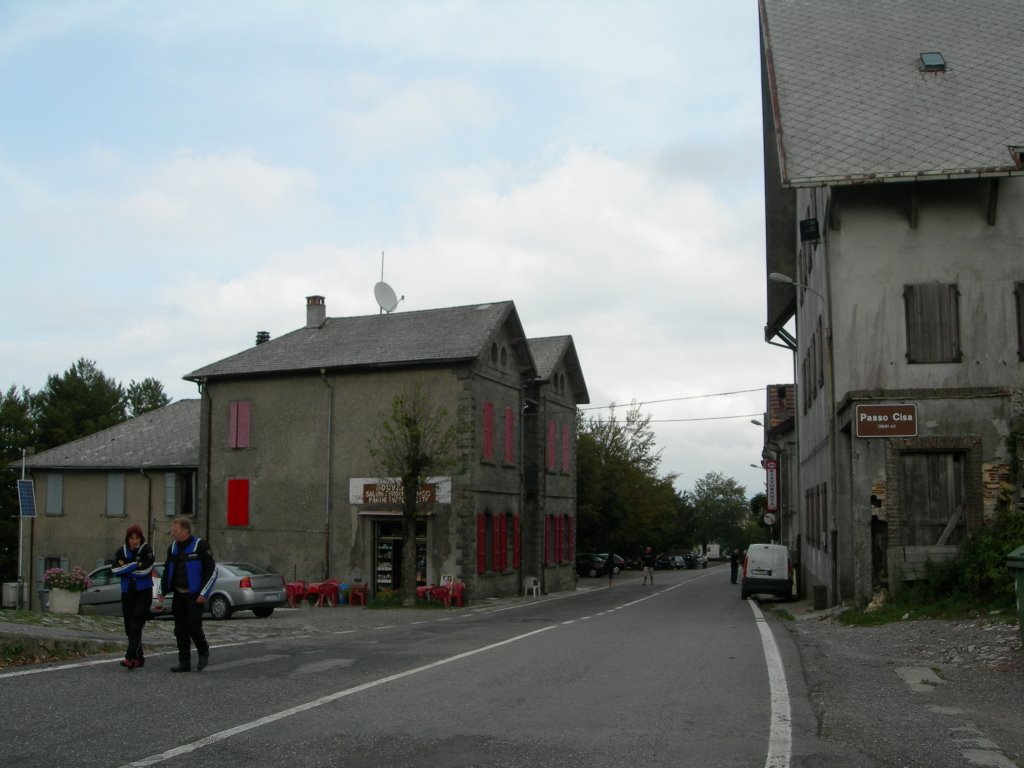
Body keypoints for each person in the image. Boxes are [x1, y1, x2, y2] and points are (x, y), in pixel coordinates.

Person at [160, 516, 217, 672]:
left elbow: (211, 571)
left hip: (195, 595)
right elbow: (167, 570)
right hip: (179, 594)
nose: (172, 533)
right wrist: (163, 590)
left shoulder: (200, 545)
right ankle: (184, 662)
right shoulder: (172, 548)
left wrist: (204, 593)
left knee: (193, 625)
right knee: (180, 629)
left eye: (175, 530)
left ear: (185, 531)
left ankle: (203, 649)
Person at [111, 524, 155, 669]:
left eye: (137, 538)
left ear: (141, 538)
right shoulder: (121, 551)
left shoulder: (147, 550)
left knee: (136, 622)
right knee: (129, 627)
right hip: (128, 592)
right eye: (132, 538)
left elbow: (145, 571)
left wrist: (126, 568)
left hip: (144, 592)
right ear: (127, 539)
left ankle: (130, 656)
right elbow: (115, 569)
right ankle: (139, 657)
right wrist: (135, 565)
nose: (134, 541)